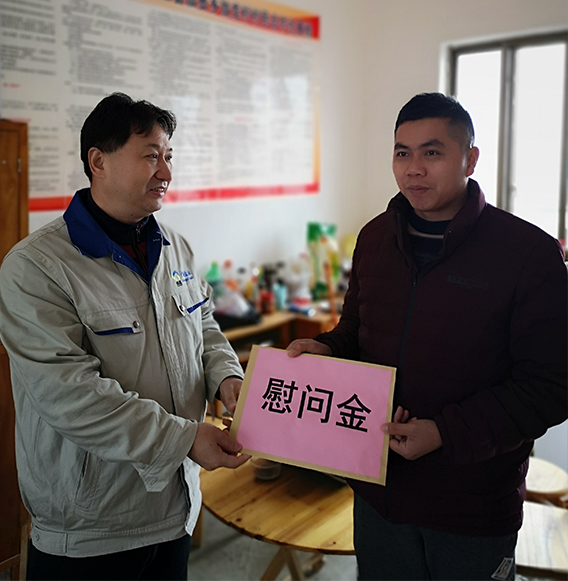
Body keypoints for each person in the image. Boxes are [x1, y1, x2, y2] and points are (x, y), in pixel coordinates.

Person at [287, 92, 567, 581]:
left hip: (472, 508)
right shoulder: (374, 239)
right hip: (377, 492)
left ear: (470, 160)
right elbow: (357, 327)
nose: (413, 168)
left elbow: (550, 385)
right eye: (402, 152)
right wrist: (327, 347)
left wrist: (444, 433)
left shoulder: (527, 254)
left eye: (432, 152)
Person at [0, 93, 249, 581]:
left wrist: (227, 377)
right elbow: (69, 396)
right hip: (91, 528)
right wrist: (184, 438)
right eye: (151, 156)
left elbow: (203, 325)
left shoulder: (175, 247)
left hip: (175, 508)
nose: (166, 172)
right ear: (99, 161)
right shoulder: (36, 267)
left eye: (169, 156)